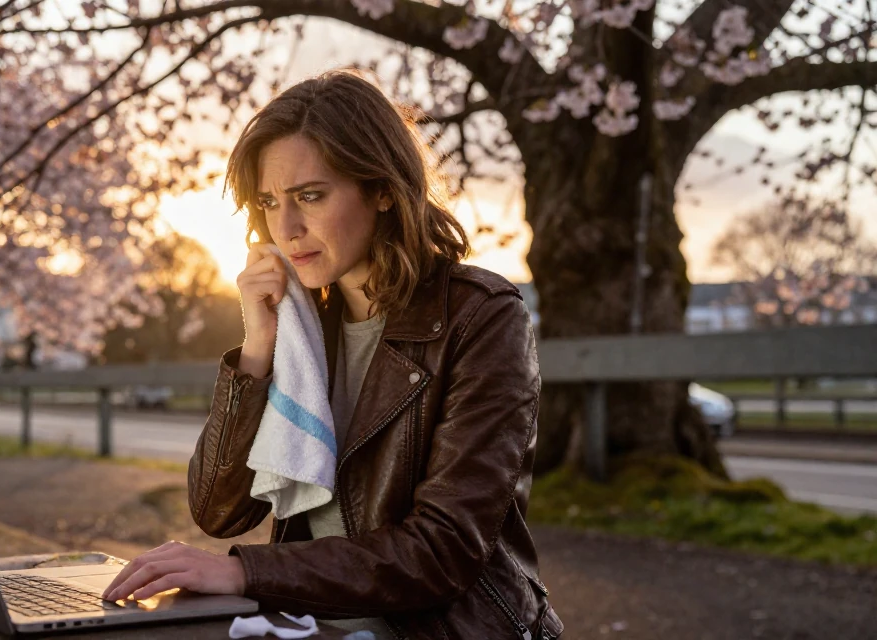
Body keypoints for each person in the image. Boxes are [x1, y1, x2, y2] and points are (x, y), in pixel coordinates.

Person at [102, 70, 563, 639]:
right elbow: (219, 512)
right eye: (269, 203)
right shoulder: (299, 328)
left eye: (311, 196)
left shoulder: (481, 316)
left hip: (438, 628)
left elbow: (442, 550)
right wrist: (258, 349)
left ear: (384, 190)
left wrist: (246, 571)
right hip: (311, 621)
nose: (288, 228)